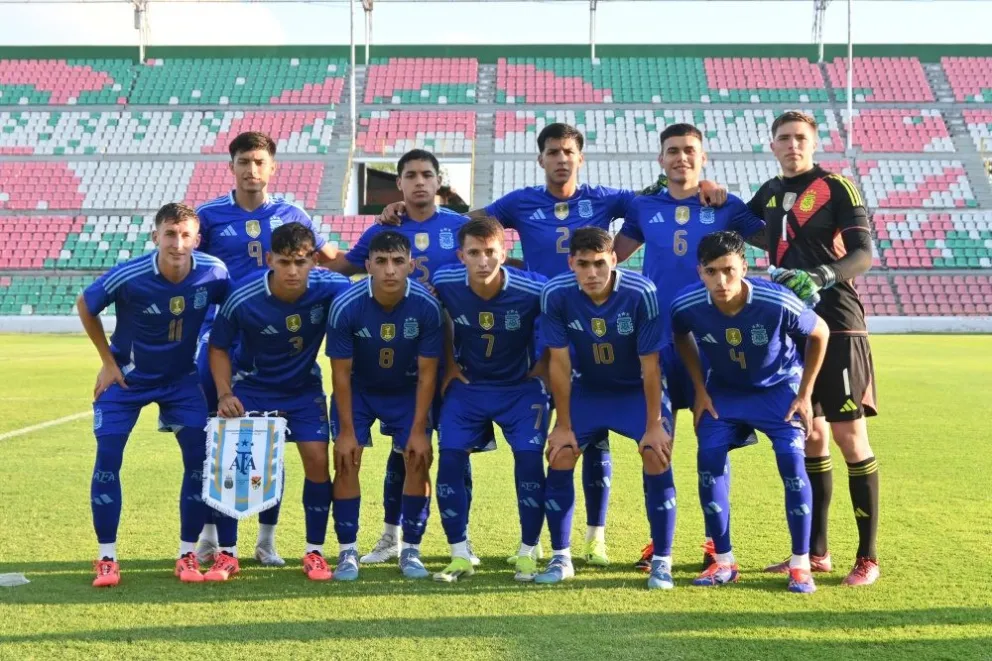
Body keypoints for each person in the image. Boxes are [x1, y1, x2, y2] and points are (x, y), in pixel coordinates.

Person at [381, 122, 725, 568]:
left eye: (568, 151)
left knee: (598, 443)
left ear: (580, 157)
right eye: (552, 151)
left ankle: (594, 537)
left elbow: (655, 202)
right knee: (562, 437)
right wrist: (405, 208)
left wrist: (704, 184)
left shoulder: (607, 198)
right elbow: (476, 227)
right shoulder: (521, 202)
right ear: (540, 159)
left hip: (600, 320)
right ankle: (538, 544)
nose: (561, 158)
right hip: (542, 330)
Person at [614, 123, 766, 571]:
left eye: (689, 151)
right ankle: (657, 541)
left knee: (712, 443)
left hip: (710, 343)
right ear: (661, 161)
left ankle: (714, 545)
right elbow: (610, 254)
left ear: (704, 158)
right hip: (657, 340)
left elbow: (775, 239)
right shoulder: (644, 207)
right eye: (673, 151)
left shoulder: (725, 205)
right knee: (656, 442)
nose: (681, 157)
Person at [326, 149, 483, 567]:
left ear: (439, 182)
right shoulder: (384, 230)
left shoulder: (460, 226)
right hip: (385, 351)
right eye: (410, 175)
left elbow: (490, 254)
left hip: (451, 354)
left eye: (426, 175)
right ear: (398, 184)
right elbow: (344, 266)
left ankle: (458, 540)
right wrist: (311, 258)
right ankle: (390, 539)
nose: (418, 182)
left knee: (447, 451)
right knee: (399, 454)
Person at [749, 111, 881, 586]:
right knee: (812, 436)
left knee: (850, 439)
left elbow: (864, 254)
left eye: (800, 138)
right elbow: (743, 227)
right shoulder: (767, 192)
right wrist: (711, 194)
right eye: (783, 138)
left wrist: (821, 276)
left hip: (841, 325)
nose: (792, 145)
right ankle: (816, 552)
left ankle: (867, 558)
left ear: (814, 142)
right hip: (793, 327)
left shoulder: (836, 187)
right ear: (772, 145)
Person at [194, 131, 336, 568]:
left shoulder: (293, 214)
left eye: (259, 162)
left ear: (272, 167)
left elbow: (324, 255)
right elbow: (185, 264)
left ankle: (267, 541)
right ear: (232, 166)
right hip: (225, 334)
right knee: (222, 444)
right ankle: (211, 535)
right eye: (244, 162)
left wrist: (376, 242)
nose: (252, 170)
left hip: (284, 338)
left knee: (277, 443)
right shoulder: (209, 215)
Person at [77, 202, 230, 587]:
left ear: (196, 238)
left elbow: (231, 312)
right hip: (127, 379)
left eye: (185, 235)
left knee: (198, 462)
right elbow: (85, 304)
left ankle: (186, 554)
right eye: (169, 234)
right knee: (108, 458)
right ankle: (107, 558)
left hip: (180, 381)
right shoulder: (131, 275)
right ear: (155, 237)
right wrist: (108, 362)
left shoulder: (214, 271)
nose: (177, 243)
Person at [671, 231, 830, 593]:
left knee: (791, 461)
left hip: (778, 390)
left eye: (728, 270)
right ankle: (723, 562)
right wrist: (699, 389)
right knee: (708, 457)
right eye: (711, 271)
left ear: (744, 266)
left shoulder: (777, 301)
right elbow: (681, 336)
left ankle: (800, 564)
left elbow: (820, 332)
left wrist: (805, 395)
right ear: (700, 272)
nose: (721, 280)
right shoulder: (687, 305)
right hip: (724, 393)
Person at [204, 223, 351, 582]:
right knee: (235, 468)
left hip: (303, 390)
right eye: (284, 262)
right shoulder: (243, 296)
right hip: (252, 387)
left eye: (300, 262)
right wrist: (225, 393)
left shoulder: (333, 288)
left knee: (318, 461)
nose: (292, 270)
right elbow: (218, 346)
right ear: (269, 259)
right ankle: (227, 554)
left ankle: (314, 552)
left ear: (315, 261)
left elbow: (366, 302)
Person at [537, 227, 676, 589]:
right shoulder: (556, 293)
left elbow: (651, 367)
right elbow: (559, 365)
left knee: (655, 453)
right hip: (587, 390)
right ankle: (561, 557)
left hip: (634, 391)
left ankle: (662, 560)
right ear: (572, 263)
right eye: (583, 264)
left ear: (614, 259)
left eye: (600, 263)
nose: (592, 273)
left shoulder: (641, 293)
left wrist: (653, 424)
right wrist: (563, 424)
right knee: (561, 453)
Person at [430, 218, 549, 583]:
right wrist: (449, 363)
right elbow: (436, 316)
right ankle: (459, 553)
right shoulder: (444, 282)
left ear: (504, 252)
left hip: (520, 389)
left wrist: (541, 368)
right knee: (449, 460)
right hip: (469, 387)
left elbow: (563, 319)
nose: (483, 260)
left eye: (491, 252)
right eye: (475, 253)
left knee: (529, 463)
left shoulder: (534, 288)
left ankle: (528, 551)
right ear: (460, 255)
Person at [326, 231, 442, 580]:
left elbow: (427, 374)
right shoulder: (346, 305)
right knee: (347, 459)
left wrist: (420, 431)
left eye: (397, 262)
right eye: (381, 262)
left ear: (410, 264)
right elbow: (341, 375)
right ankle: (348, 551)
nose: (389, 270)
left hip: (407, 390)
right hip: (360, 389)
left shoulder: (426, 306)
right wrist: (346, 432)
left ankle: (411, 550)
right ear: (368, 265)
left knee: (418, 458)